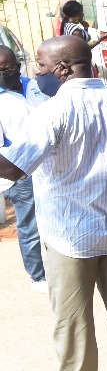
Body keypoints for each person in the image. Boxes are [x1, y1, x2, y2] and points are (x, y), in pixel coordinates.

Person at [0, 36, 107, 371]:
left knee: (71, 318)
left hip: (67, 235)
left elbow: (14, 168)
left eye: (40, 64)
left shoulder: (51, 113)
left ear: (63, 69)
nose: (36, 72)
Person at [0, 45, 46, 290]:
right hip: (20, 171)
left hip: (49, 163)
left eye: (6, 69)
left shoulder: (36, 86)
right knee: (30, 224)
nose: (2, 74)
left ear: (16, 66)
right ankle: (38, 276)